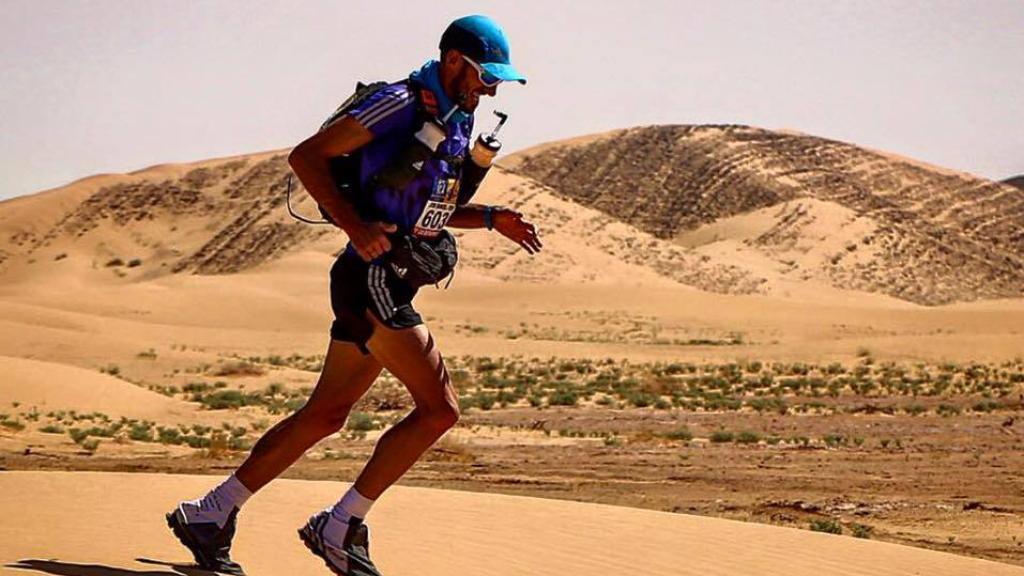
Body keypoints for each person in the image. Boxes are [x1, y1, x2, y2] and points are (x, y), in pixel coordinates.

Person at [165, 14, 541, 576]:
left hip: (383, 278)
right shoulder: (399, 103)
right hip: (373, 278)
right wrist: (354, 226)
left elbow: (427, 209)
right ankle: (340, 525)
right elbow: (306, 157)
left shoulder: (458, 119)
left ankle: (209, 513)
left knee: (325, 415)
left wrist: (490, 217)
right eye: (486, 76)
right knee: (439, 411)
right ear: (454, 61)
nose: (490, 90)